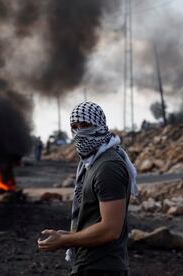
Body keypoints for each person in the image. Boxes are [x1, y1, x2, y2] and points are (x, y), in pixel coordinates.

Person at [38, 102, 138, 276]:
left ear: (99, 125)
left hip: (103, 268)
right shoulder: (90, 162)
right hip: (89, 264)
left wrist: (65, 240)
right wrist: (71, 234)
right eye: (74, 127)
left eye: (85, 125)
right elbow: (95, 218)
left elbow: (111, 229)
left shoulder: (108, 166)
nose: (79, 132)